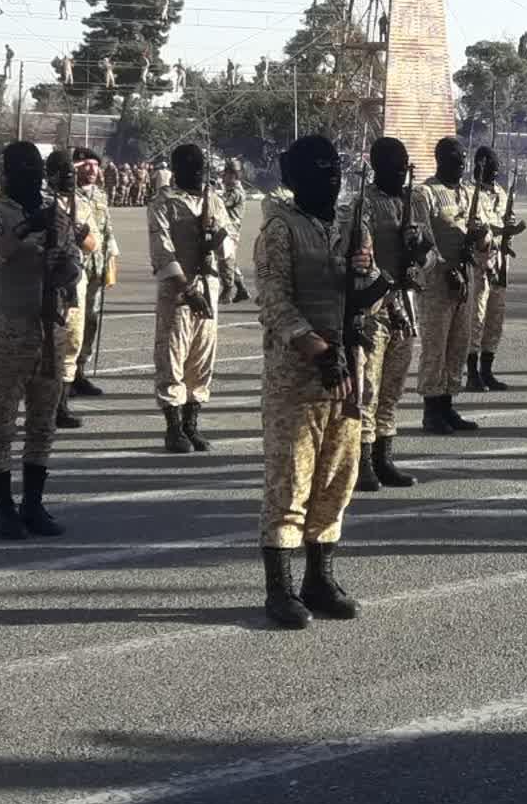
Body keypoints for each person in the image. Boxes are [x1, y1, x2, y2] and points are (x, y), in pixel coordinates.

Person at [253, 135, 380, 628]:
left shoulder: (351, 224)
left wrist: (368, 276)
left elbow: (367, 290)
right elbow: (274, 304)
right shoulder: (280, 229)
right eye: (318, 168)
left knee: (337, 477)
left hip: (349, 372)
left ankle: (319, 578)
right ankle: (280, 588)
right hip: (298, 379)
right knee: (290, 480)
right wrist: (318, 350)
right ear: (294, 177)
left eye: (335, 168)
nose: (330, 176)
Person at [0, 142, 85, 538]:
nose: (31, 174)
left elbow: (74, 267)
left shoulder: (57, 213)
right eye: (22, 168)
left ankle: (34, 503)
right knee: (1, 422)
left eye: (35, 168)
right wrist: (25, 229)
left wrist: (63, 266)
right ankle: (3, 507)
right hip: (11, 328)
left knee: (43, 423)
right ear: (6, 173)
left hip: (49, 328)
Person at [148, 144, 236, 453]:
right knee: (172, 356)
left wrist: (227, 274)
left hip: (208, 287)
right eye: (191, 168)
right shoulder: (164, 202)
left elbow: (228, 242)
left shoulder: (213, 200)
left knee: (201, 358)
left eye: (201, 168)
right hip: (178, 291)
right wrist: (187, 290)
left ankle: (191, 424)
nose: (198, 174)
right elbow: (162, 249)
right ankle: (173, 428)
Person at [354, 136, 420, 492]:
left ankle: (384, 455)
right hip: (377, 306)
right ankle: (362, 459)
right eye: (396, 168)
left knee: (392, 387)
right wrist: (390, 296)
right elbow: (363, 259)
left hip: (405, 304)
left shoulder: (409, 202)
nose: (401, 175)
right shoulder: (364, 205)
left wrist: (418, 249)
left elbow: (427, 254)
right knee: (369, 387)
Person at [413, 137, 486, 434]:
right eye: (455, 160)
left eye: (463, 160)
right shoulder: (425, 194)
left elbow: (482, 234)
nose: (461, 165)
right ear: (440, 159)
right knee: (436, 345)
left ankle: (448, 404)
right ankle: (431, 410)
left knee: (458, 343)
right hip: (437, 282)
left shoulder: (468, 193)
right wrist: (445, 267)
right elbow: (423, 240)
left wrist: (481, 236)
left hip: (465, 277)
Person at [44, 151, 100, 428]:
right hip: (45, 282)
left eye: (70, 172)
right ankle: (41, 405)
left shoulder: (83, 204)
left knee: (72, 343)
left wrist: (81, 235)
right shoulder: (38, 203)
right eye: (61, 172)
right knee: (44, 347)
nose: (68, 177)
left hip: (75, 281)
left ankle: (61, 406)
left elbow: (94, 244)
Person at [463, 145, 525, 392]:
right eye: (489, 165)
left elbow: (504, 221)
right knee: (475, 318)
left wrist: (509, 226)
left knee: (495, 318)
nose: (494, 170)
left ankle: (487, 369)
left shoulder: (500, 192)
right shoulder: (469, 192)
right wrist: (500, 229)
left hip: (499, 264)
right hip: (479, 265)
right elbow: (474, 225)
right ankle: (472, 372)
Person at [70, 148, 119, 398]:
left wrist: (111, 256)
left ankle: (79, 372)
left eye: (95, 165)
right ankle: (64, 375)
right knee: (71, 322)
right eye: (85, 165)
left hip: (96, 268)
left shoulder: (100, 195)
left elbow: (107, 228)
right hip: (74, 269)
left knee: (90, 320)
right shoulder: (65, 196)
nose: (91, 170)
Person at [217, 158, 251, 304]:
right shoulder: (233, 190)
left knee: (225, 260)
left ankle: (227, 289)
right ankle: (241, 288)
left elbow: (222, 204)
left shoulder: (235, 192)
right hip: (228, 228)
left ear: (233, 176)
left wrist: (212, 194)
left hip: (229, 230)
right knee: (230, 260)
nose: (223, 178)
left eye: (226, 175)